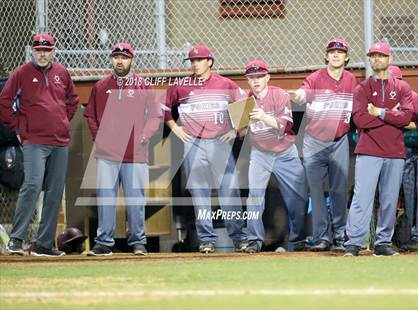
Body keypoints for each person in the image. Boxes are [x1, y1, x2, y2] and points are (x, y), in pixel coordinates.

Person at [0, 33, 79, 256]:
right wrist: (17, 127)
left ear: (53, 51)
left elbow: (72, 101)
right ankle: (16, 240)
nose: (42, 54)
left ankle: (44, 245)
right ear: (32, 51)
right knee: (32, 186)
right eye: (38, 50)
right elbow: (4, 102)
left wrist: (63, 122)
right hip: (34, 140)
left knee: (55, 192)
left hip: (60, 141)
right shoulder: (21, 73)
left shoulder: (62, 73)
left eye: (47, 50)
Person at [165, 44, 248, 253]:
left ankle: (238, 238)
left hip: (219, 142)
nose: (195, 64)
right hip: (193, 143)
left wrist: (237, 130)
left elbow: (246, 103)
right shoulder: (181, 85)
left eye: (199, 60)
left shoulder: (224, 83)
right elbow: (163, 108)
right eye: (192, 61)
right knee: (199, 192)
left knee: (228, 190)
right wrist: (175, 128)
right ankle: (207, 240)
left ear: (209, 62)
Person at [84, 43, 162, 256]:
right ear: (112, 59)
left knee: (136, 200)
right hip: (107, 154)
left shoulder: (143, 86)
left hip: (135, 154)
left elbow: (155, 116)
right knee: (106, 198)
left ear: (131, 60)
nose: (119, 60)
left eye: (124, 57)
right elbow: (90, 115)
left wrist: (145, 136)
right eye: (116, 56)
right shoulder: (100, 86)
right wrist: (98, 137)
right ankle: (104, 243)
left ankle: (138, 242)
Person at [289, 38, 358, 251]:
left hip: (339, 141)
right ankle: (322, 238)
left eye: (340, 52)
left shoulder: (351, 80)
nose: (336, 55)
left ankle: (339, 235)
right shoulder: (315, 78)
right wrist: (298, 96)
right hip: (314, 143)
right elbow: (302, 93)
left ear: (346, 57)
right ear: (326, 56)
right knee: (316, 192)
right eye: (332, 52)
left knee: (339, 190)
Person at [344, 43, 413, 257]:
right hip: (369, 150)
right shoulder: (362, 88)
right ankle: (354, 243)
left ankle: (383, 243)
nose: (376, 59)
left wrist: (380, 113)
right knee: (362, 197)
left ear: (390, 58)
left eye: (380, 56)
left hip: (394, 152)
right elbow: (360, 119)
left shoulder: (402, 88)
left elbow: (408, 117)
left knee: (390, 199)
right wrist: (393, 118)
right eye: (372, 56)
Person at [243, 60, 308, 253]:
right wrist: (236, 130)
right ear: (248, 80)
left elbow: (285, 126)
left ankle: (298, 241)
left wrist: (263, 116)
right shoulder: (246, 100)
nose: (256, 81)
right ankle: (254, 240)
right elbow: (240, 126)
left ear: (267, 77)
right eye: (252, 77)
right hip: (260, 153)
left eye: (259, 76)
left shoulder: (279, 95)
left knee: (298, 197)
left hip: (285, 153)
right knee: (254, 196)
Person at [388, 65, 418, 252]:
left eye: (397, 81)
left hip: (416, 150)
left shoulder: (414, 97)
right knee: (407, 197)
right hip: (400, 153)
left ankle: (417, 236)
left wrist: (401, 121)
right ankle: (405, 237)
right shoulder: (383, 101)